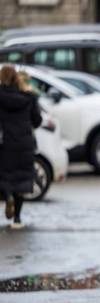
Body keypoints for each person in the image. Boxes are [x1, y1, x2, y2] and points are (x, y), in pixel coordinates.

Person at [0, 65, 42, 229]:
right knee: (21, 181)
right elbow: (37, 121)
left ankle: (7, 196)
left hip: (4, 144)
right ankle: (17, 219)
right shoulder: (29, 97)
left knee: (4, 177)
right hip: (24, 144)